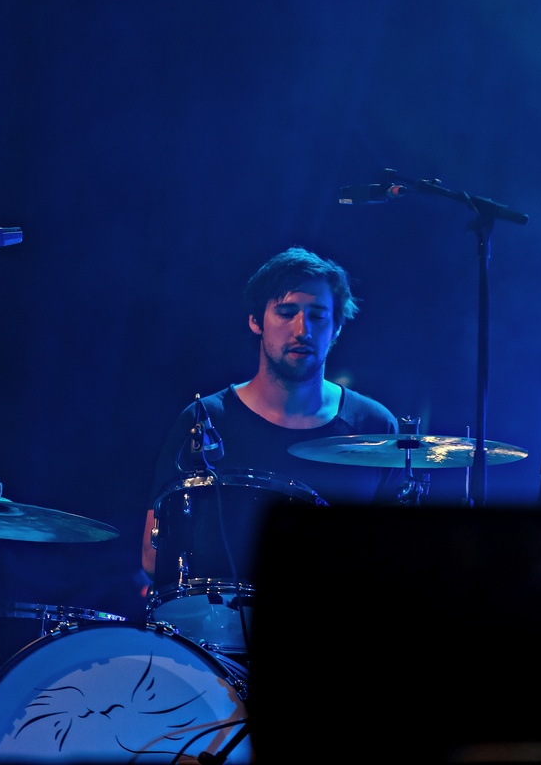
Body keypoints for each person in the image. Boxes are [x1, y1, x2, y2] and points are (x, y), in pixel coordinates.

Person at [139, 245, 405, 654]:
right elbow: (153, 557)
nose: (302, 329)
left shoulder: (375, 427)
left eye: (318, 315)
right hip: (219, 649)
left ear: (336, 327)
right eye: (286, 312)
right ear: (256, 321)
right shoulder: (205, 420)